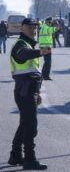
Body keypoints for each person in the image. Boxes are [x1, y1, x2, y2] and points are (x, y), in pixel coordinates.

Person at [8, 18, 50, 170]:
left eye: (35, 27)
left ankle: (15, 155)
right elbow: (22, 55)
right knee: (31, 126)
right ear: (22, 28)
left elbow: (33, 72)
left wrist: (37, 93)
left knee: (25, 124)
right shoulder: (21, 44)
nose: (33, 30)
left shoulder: (28, 44)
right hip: (24, 90)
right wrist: (39, 52)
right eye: (30, 27)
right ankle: (29, 160)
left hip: (29, 89)